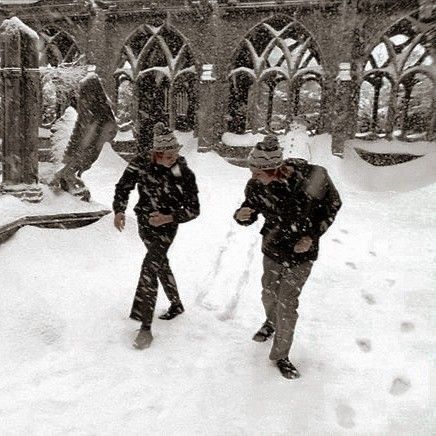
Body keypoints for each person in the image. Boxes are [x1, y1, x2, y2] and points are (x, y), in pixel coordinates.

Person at [234, 135, 341, 379]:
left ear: (274, 169)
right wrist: (242, 215)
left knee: (287, 302)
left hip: (301, 254)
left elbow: (333, 205)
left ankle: (281, 354)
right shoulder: (256, 186)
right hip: (271, 248)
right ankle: (271, 323)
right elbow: (250, 209)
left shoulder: (314, 177)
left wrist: (313, 236)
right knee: (268, 293)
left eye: (258, 172)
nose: (253, 177)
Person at [113, 122, 200, 349]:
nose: (173, 158)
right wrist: (119, 209)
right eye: (167, 155)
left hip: (167, 226)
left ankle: (145, 327)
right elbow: (124, 186)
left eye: (175, 154)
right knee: (159, 263)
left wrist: (168, 217)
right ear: (155, 153)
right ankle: (176, 304)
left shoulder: (183, 173)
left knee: (150, 267)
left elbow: (194, 209)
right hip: (145, 223)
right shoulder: (140, 163)